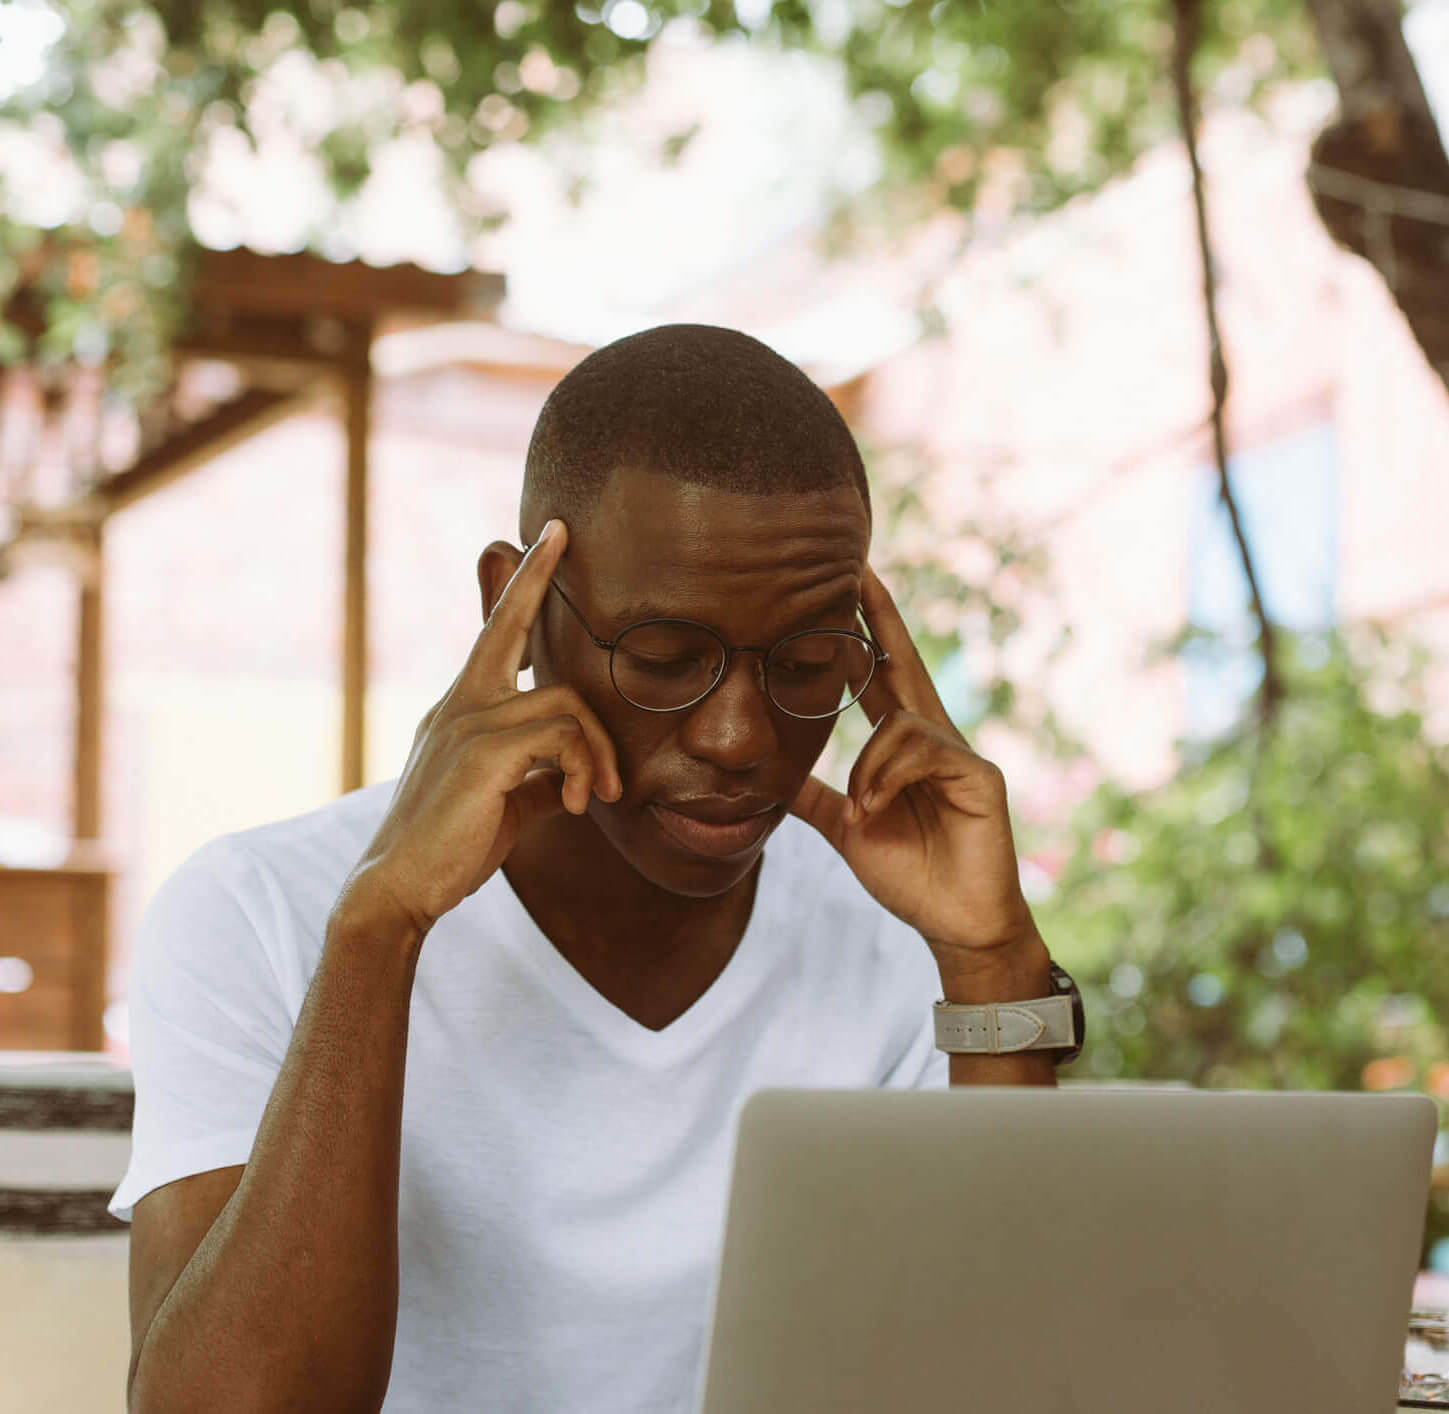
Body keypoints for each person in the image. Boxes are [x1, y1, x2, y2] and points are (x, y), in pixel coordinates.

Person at [112, 324, 1077, 1414]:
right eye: (665, 658)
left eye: (808, 665)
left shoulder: (903, 944)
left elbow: (1012, 1376)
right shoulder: (259, 912)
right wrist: (380, 930)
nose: (737, 736)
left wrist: (991, 962)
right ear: (514, 604)